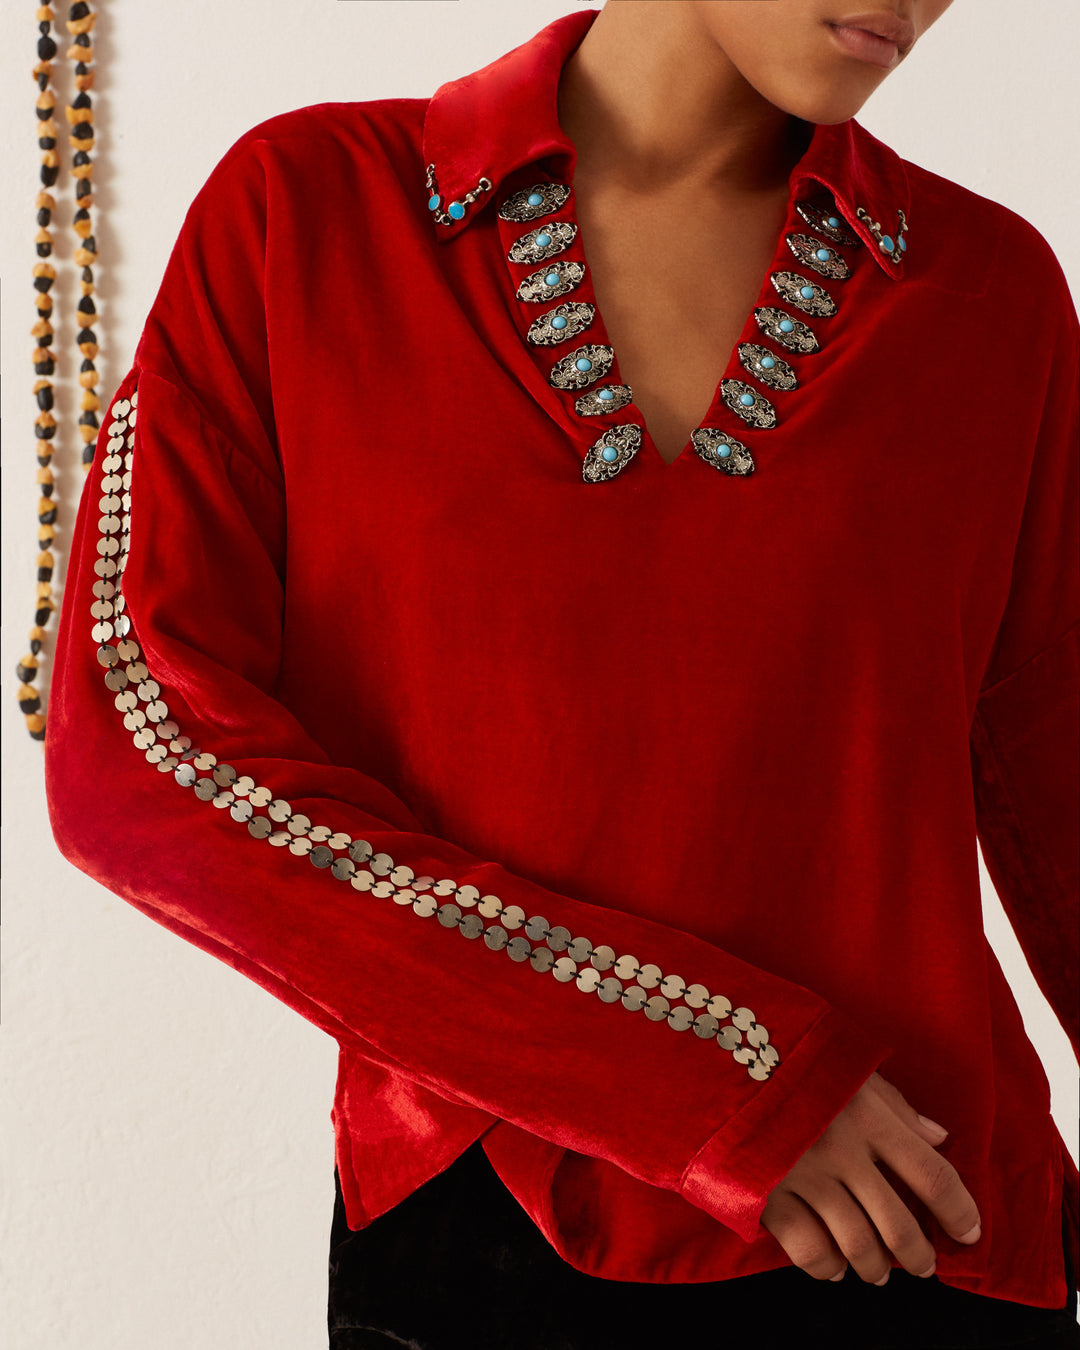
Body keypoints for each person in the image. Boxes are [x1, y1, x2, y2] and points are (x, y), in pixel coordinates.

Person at [44, 2, 1078, 1347]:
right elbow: (141, 752)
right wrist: (723, 1078)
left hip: (923, 1232)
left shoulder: (987, 293)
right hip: (478, 1242)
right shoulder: (306, 214)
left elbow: (1060, 797)